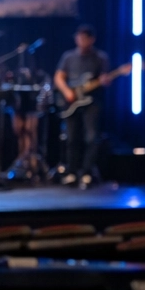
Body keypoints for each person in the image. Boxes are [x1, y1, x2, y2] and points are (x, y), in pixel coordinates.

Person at [54, 23, 112, 189]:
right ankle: (72, 172)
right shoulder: (68, 57)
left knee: (91, 137)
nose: (81, 40)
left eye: (85, 38)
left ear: (92, 39)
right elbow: (58, 77)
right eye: (78, 37)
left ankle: (86, 172)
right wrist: (67, 92)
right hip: (71, 101)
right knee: (71, 138)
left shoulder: (100, 58)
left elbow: (104, 79)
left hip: (91, 102)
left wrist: (105, 81)